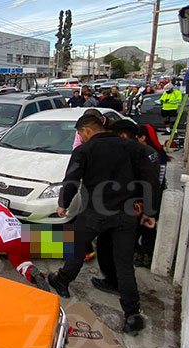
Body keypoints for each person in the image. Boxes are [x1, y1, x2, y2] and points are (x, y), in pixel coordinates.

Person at [48, 114, 160, 335]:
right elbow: (150, 180)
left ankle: (62, 281)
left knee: (76, 248)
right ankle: (132, 315)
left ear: (86, 131)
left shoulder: (84, 151)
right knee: (124, 264)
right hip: (126, 213)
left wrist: (63, 204)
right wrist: (150, 211)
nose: (80, 137)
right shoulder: (133, 148)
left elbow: (71, 179)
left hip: (94, 211)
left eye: (80, 133)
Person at [134, 124, 170, 267]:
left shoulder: (154, 155)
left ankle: (146, 255)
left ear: (143, 138)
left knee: (147, 226)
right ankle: (141, 252)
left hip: (151, 196)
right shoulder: (156, 153)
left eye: (136, 138)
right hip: (147, 195)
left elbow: (157, 181)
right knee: (142, 226)